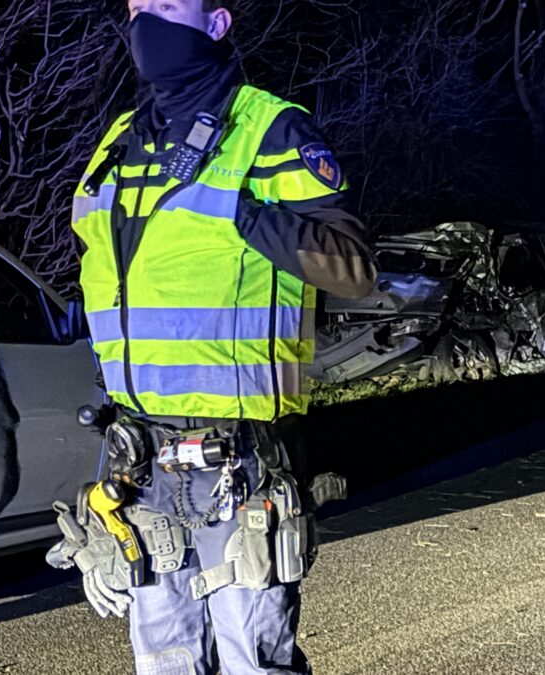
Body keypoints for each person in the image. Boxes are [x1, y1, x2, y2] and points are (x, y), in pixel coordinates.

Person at [46, 1, 376, 673]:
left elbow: (354, 270)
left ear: (218, 23)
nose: (148, 21)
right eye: (139, 6)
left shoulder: (272, 128)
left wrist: (243, 215)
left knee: (254, 663)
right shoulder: (117, 144)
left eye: (169, 6)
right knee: (163, 663)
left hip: (241, 463)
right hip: (139, 463)